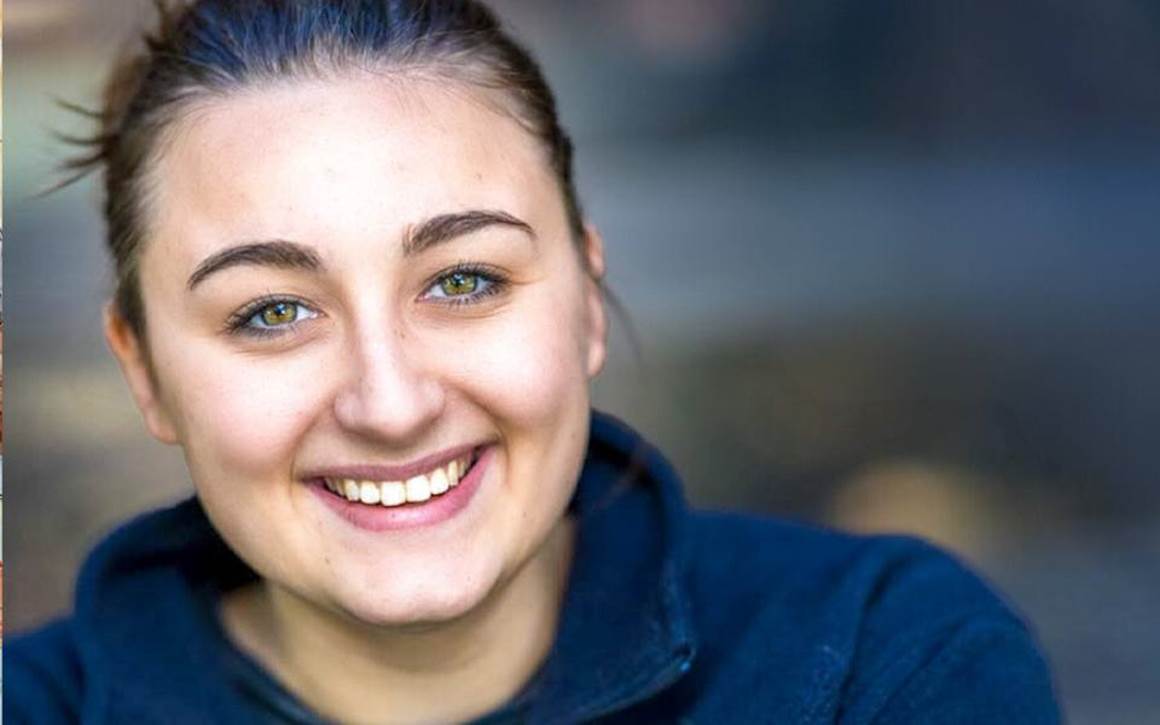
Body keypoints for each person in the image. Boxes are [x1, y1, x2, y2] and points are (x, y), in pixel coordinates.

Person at [6, 1, 1061, 723]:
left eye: (462, 281)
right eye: (274, 310)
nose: (390, 400)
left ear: (587, 299)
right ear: (143, 371)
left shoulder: (880, 663)